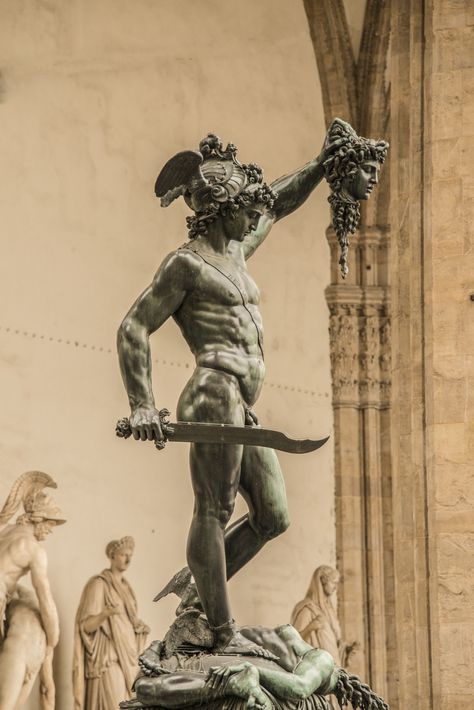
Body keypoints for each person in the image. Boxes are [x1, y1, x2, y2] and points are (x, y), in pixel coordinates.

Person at [117, 130, 385, 655]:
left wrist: (320, 163)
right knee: (213, 510)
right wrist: (142, 403)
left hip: (244, 401)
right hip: (213, 391)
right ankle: (220, 630)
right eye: (245, 209)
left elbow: (279, 204)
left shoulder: (237, 248)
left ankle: (197, 593)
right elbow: (133, 326)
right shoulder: (187, 264)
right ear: (219, 211)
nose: (255, 217)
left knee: (273, 516)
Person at [119, 624, 388, 710]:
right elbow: (299, 688)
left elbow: (299, 688)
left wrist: (155, 651)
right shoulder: (322, 662)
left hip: (231, 661)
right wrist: (254, 671)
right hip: (238, 665)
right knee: (150, 689)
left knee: (148, 689)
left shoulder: (288, 645)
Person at [0, 470, 65, 710]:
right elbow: (44, 597)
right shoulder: (34, 550)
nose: (50, 530)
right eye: (49, 523)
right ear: (37, 519)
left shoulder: (4, 530)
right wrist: (53, 636)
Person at [73, 536, 150, 710]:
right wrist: (105, 614)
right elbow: (85, 626)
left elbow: (126, 623)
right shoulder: (99, 585)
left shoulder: (127, 589)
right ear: (112, 556)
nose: (128, 559)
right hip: (110, 658)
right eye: (123, 554)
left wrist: (139, 629)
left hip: (129, 660)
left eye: (130, 555)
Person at [291, 566, 357, 668]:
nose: (335, 587)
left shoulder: (329, 610)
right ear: (323, 581)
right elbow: (294, 641)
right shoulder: (307, 609)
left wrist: (345, 651)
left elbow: (333, 645)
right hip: (316, 668)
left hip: (333, 669)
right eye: (333, 582)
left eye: (337, 583)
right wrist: (311, 627)